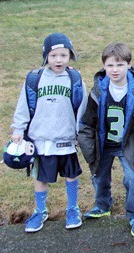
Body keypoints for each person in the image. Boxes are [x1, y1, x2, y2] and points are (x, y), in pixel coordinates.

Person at [78, 43, 134, 237]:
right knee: (99, 175)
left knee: (132, 178)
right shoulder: (97, 92)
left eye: (120, 65)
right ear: (103, 66)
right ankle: (102, 204)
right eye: (110, 65)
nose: (115, 70)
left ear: (129, 65)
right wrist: (90, 153)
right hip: (104, 144)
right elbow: (87, 125)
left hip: (127, 145)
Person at [10, 33, 87, 233]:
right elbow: (23, 106)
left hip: (66, 139)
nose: (59, 60)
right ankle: (41, 210)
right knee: (40, 177)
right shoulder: (35, 79)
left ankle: (72, 208)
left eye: (63, 55)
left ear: (70, 55)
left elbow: (82, 110)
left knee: (71, 175)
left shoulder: (75, 79)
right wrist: (18, 129)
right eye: (53, 56)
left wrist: (82, 134)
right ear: (46, 57)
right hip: (41, 139)